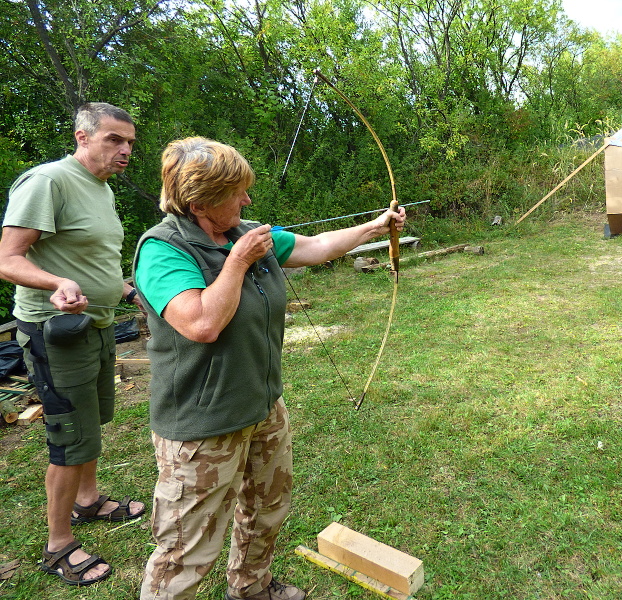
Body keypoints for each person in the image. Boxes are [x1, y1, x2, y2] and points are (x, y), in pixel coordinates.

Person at [133, 137, 406, 600]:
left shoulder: (245, 233)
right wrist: (237, 263)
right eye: (236, 192)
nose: (247, 199)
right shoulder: (164, 251)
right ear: (198, 203)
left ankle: (250, 588)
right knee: (186, 549)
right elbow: (201, 323)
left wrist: (377, 227)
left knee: (266, 510)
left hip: (262, 409)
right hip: (203, 427)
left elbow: (318, 245)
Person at [0, 102, 146, 586]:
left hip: (98, 325)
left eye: (129, 142)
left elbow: (92, 257)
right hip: (54, 332)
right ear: (83, 137)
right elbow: (8, 258)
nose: (125, 150)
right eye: (113, 140)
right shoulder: (48, 182)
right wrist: (55, 282)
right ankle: (57, 544)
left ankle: (88, 502)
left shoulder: (100, 189)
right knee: (67, 436)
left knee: (89, 419)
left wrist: (126, 289)